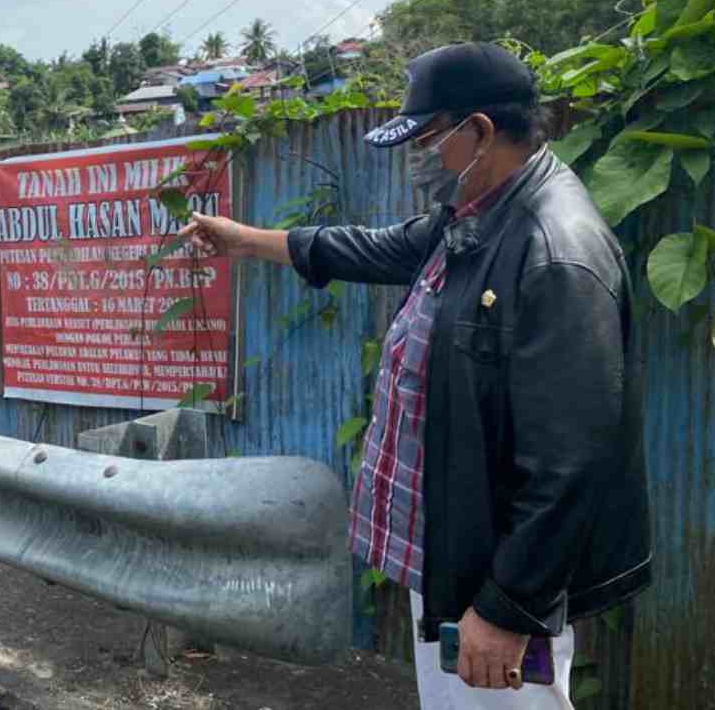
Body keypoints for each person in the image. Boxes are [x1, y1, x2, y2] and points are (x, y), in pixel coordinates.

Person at [180, 42, 650, 709]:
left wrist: (509, 606)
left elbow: (571, 463)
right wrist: (243, 239)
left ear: (479, 132)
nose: (417, 160)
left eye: (426, 140)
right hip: (457, 551)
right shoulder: (477, 219)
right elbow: (372, 247)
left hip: (497, 579)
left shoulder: (554, 253)